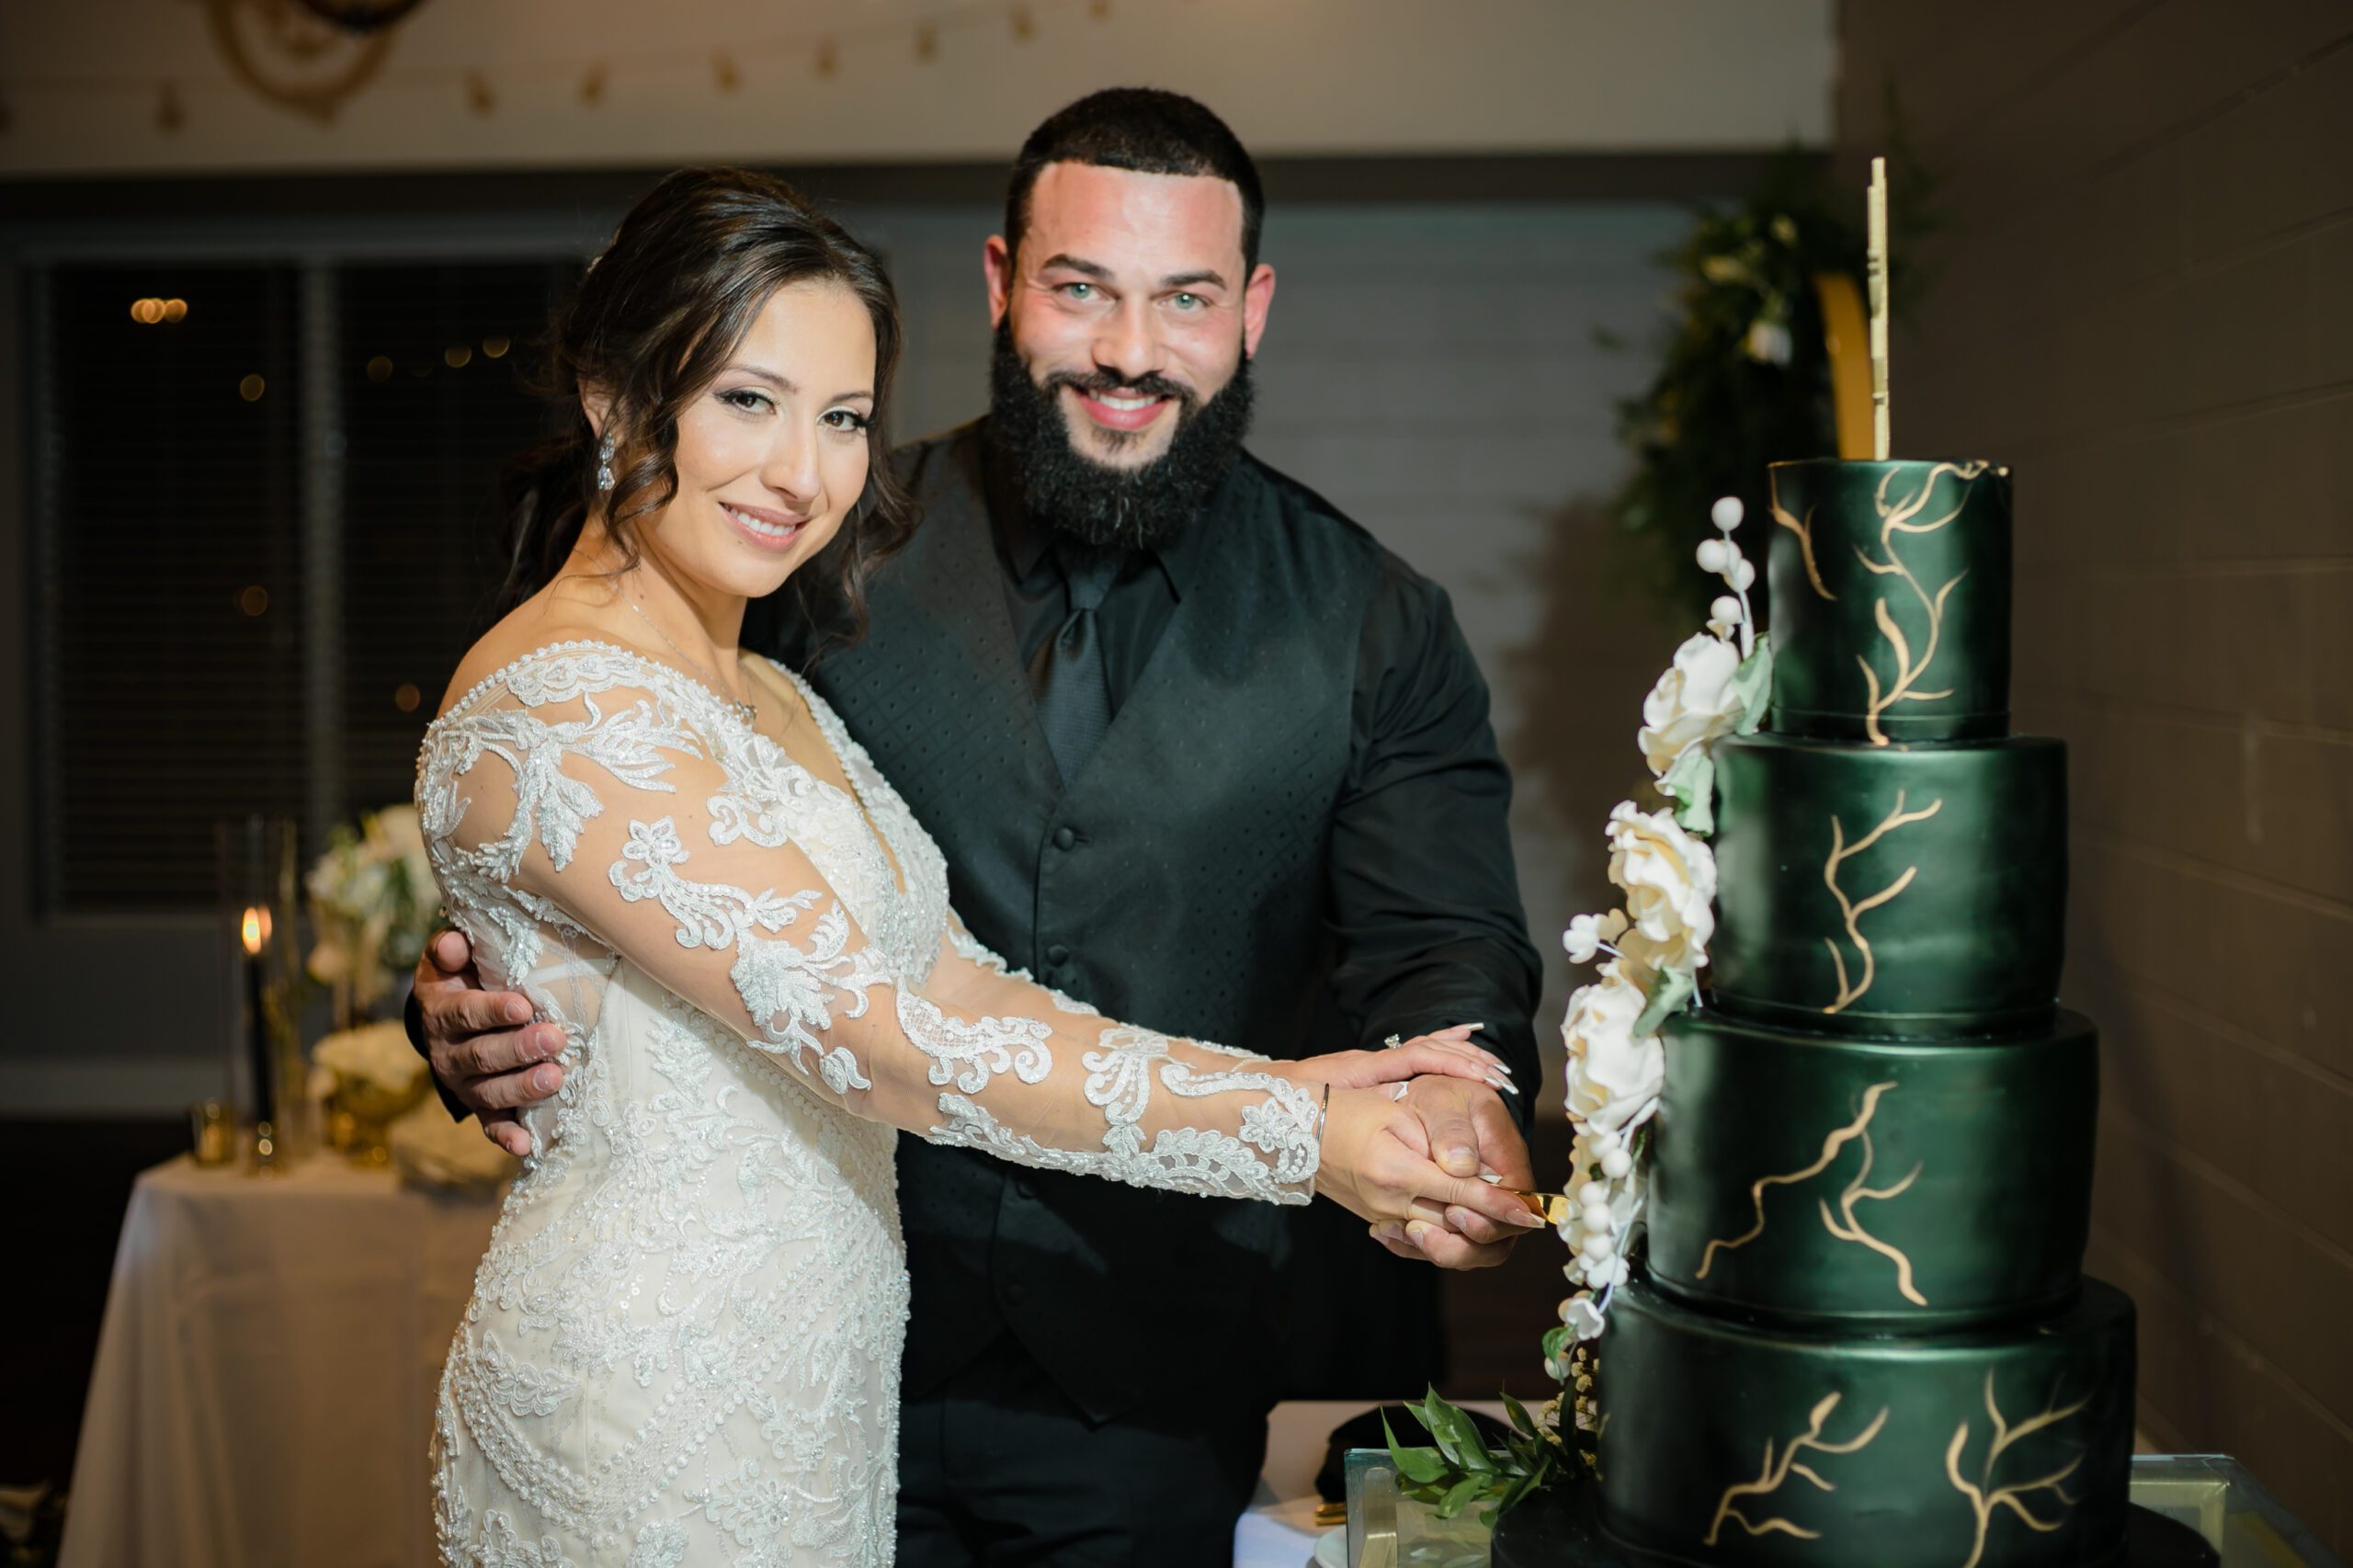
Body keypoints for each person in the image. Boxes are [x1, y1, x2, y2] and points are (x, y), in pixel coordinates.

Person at [414, 90, 1546, 1565]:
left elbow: (1440, 946)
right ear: (1007, 285)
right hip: (791, 1369)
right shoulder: (825, 550)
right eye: (1084, 289)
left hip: (1148, 1375)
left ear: (1250, 311)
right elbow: (599, 844)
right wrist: (468, 990)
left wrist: (1420, 1103)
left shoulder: (1372, 618)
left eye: (1184, 298)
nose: (1131, 350)